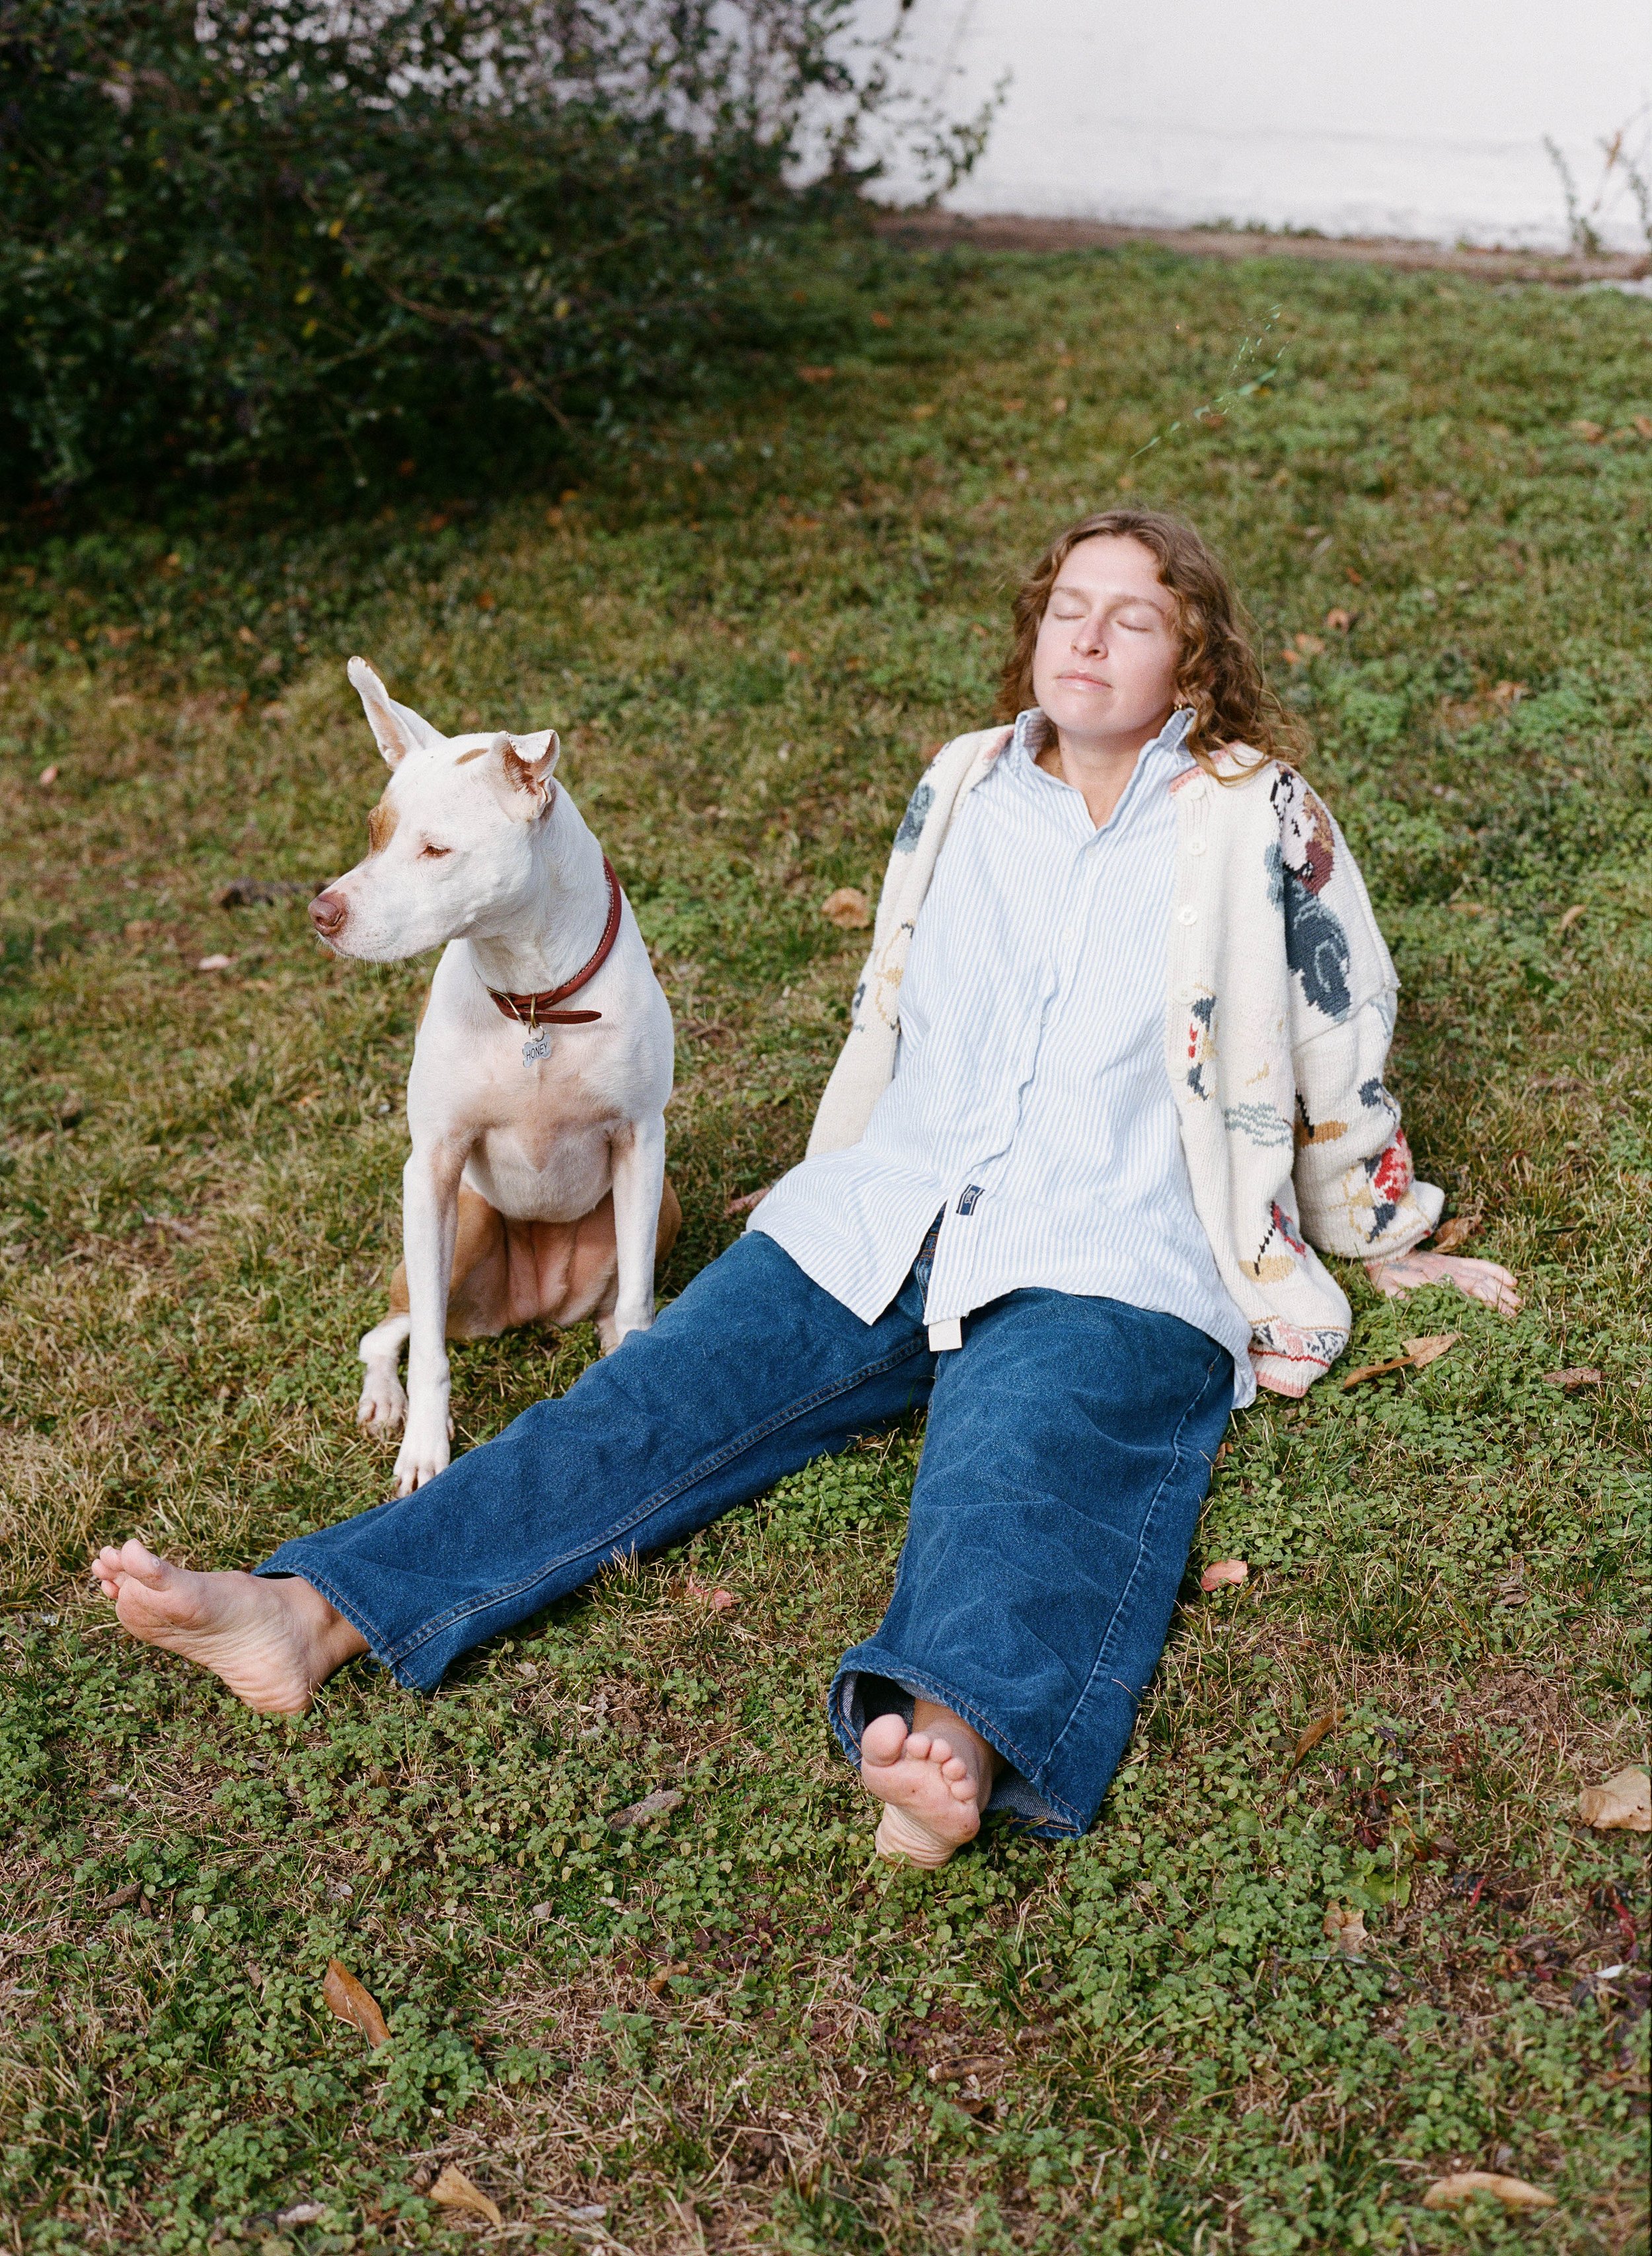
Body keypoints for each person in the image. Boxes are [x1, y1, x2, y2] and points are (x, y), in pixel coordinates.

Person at [93, 509, 1517, 1870]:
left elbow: (1337, 1022)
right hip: (890, 1207)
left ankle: (947, 1741)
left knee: (1028, 1457)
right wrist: (833, 1173)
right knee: (646, 1400)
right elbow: (890, 1009)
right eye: (1067, 611)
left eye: (1131, 621)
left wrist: (1365, 1229)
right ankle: (309, 1614)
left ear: (1191, 661)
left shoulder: (1257, 812)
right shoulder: (963, 783)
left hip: (1108, 1236)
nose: (1086, 641)